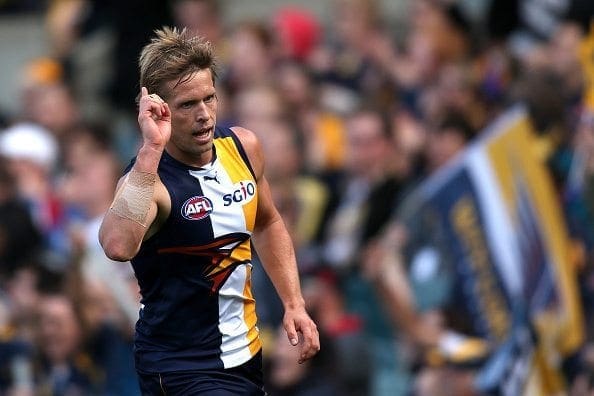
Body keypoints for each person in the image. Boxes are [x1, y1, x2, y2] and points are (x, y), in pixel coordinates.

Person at [98, 27, 320, 395]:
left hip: (245, 355)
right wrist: (151, 149)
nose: (204, 114)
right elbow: (117, 246)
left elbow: (267, 222)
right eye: (187, 105)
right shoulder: (148, 181)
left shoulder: (243, 148)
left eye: (209, 98)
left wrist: (294, 304)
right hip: (180, 366)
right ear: (158, 109)